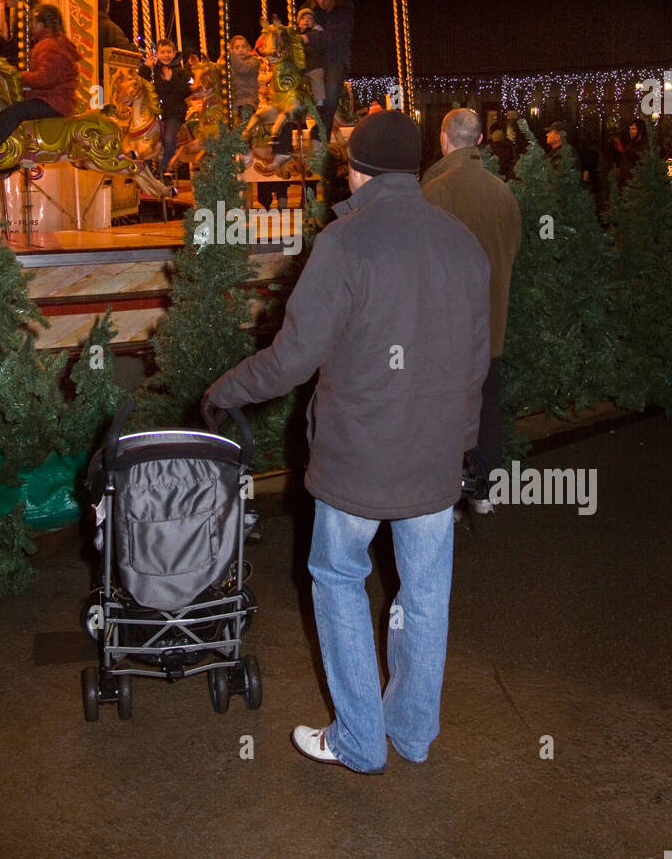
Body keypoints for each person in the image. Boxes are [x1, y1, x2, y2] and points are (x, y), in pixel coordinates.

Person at [203, 111, 490, 773]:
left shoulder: (345, 242)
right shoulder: (460, 242)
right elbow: (477, 365)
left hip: (357, 458)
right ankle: (412, 734)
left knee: (338, 580)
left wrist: (226, 391)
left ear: (356, 170)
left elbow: (294, 357)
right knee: (425, 596)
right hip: (433, 460)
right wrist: (465, 445)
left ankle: (361, 739)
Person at [420, 109, 522, 516]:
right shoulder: (503, 192)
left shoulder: (432, 190)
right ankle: (485, 489)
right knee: (486, 406)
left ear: (445, 139)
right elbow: (512, 251)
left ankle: (444, 492)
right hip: (491, 324)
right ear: (479, 141)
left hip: (444, 328)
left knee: (443, 411)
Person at [0, 4, 79, 152]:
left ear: (42, 23)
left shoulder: (50, 45)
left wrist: (20, 76)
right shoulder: (51, 43)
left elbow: (45, 78)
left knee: (15, 112)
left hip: (54, 101)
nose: (30, 26)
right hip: (53, 98)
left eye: (33, 23)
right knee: (12, 107)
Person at [139, 39, 191, 175]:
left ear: (174, 54)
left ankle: (167, 168)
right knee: (144, 139)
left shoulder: (180, 71)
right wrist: (145, 67)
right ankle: (146, 170)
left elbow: (185, 91)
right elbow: (143, 83)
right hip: (155, 112)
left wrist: (170, 81)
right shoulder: (153, 71)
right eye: (163, 52)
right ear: (157, 54)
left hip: (174, 112)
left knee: (168, 138)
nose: (166, 55)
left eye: (169, 52)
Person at [311, 0, 354, 138]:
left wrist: (314, 37)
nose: (323, 1)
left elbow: (335, 36)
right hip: (317, 61)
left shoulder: (343, 13)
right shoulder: (313, 14)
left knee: (330, 97)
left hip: (336, 60)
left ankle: (321, 137)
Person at [295, 6, 326, 110]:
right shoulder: (296, 34)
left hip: (314, 65)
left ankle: (319, 102)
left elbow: (303, 40)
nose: (306, 21)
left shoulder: (316, 33)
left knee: (316, 75)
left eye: (310, 19)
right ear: (299, 22)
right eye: (303, 19)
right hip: (300, 68)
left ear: (314, 22)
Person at [97, 0, 134, 75]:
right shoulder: (109, 27)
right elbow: (125, 48)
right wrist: (134, 48)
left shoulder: (89, 25)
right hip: (104, 76)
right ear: (107, 7)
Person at [226, 35, 259, 119]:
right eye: (237, 48)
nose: (241, 50)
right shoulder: (230, 65)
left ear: (248, 48)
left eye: (244, 47)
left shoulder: (253, 61)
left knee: (245, 116)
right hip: (232, 103)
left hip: (247, 101)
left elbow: (243, 68)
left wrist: (230, 55)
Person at [610, 117, 647, 186]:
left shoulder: (644, 145)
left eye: (633, 129)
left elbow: (635, 158)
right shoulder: (630, 143)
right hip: (625, 181)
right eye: (630, 129)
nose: (630, 131)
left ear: (640, 130)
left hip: (635, 182)